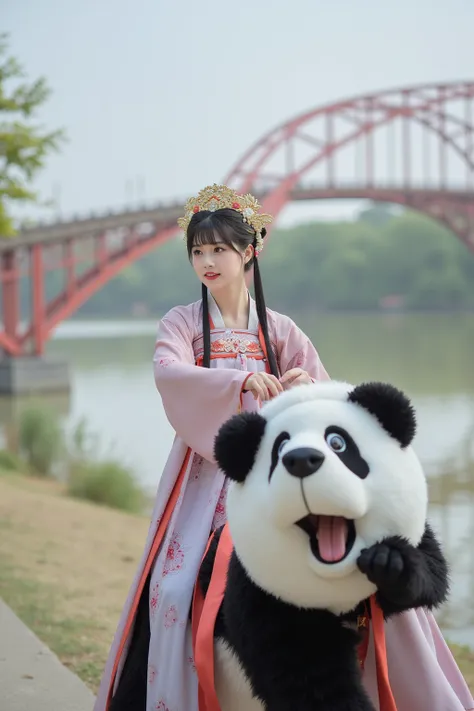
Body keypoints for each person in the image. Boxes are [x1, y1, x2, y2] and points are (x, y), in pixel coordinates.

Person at [94, 184, 473, 711]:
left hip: (280, 467)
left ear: (249, 252)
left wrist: (298, 386)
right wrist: (237, 387)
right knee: (175, 586)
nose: (207, 261)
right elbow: (169, 372)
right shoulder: (181, 323)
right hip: (207, 471)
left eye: (220, 249)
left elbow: (329, 403)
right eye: (198, 251)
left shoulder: (280, 329)